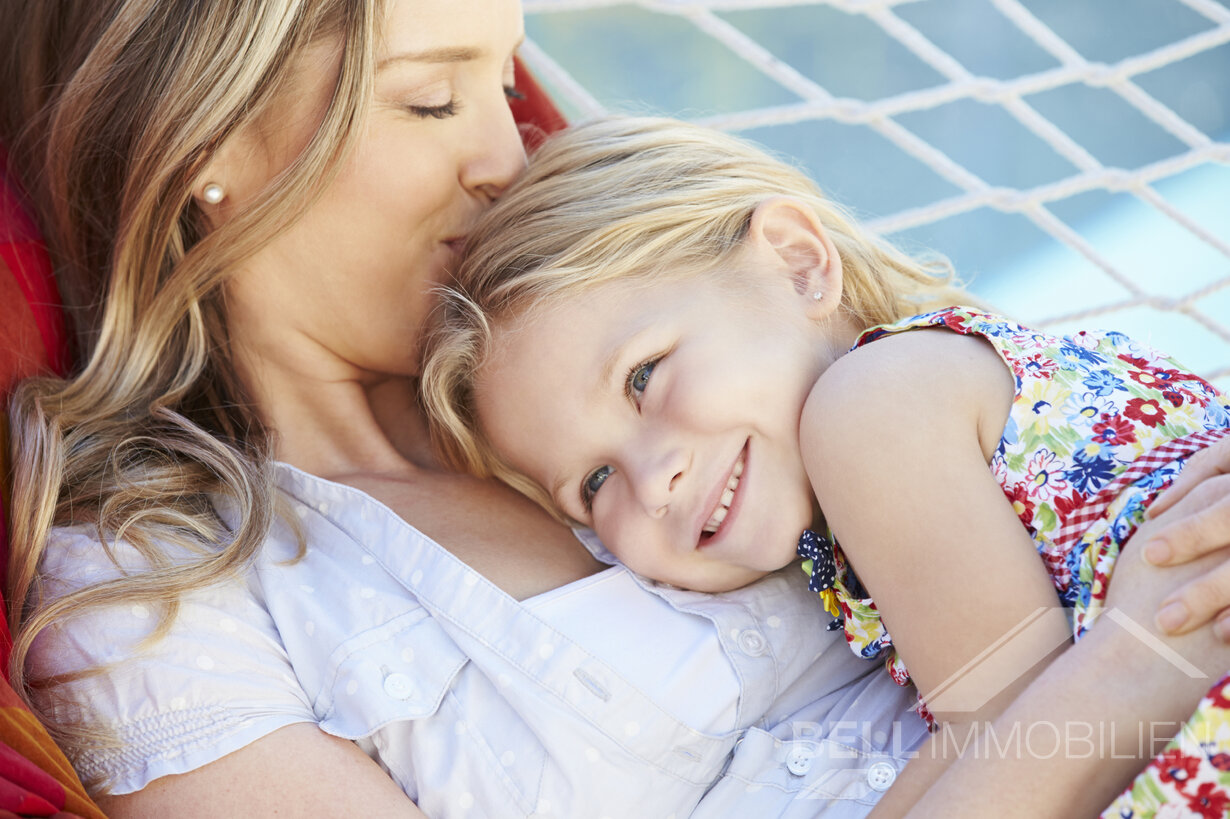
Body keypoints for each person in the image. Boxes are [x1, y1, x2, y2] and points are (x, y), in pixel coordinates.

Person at [2, 3, 1230, 817]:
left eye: (503, 82)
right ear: (207, 136)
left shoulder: (648, 322)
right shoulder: (160, 581)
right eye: (432, 99)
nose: (504, 154)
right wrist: (1138, 658)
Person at [420, 115, 1230, 817]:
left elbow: (1030, 745)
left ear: (799, 262)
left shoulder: (872, 407)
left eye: (645, 375)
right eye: (594, 484)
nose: (651, 479)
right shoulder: (943, 385)